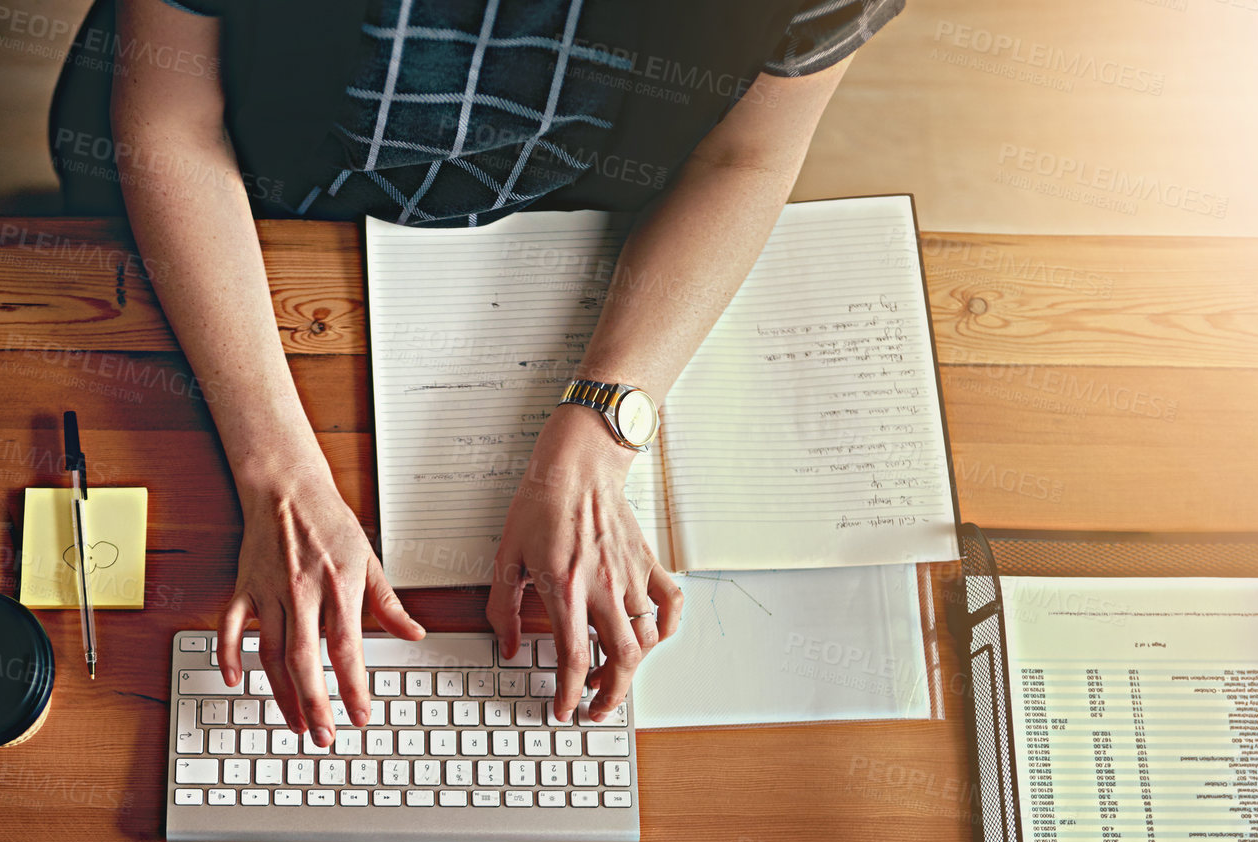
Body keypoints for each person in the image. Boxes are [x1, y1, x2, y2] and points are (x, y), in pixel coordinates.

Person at [110, 0, 902, 748]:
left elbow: (746, 154)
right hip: (264, 208)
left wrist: (597, 437)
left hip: (576, 224)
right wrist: (278, 476)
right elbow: (170, 122)